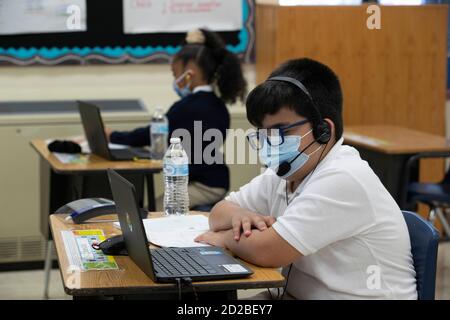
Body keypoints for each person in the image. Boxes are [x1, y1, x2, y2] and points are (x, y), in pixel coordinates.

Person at [195, 58, 417, 299]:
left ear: (324, 130)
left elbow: (268, 251)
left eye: (282, 131)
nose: (271, 142)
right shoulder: (286, 172)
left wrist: (225, 238)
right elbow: (218, 213)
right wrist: (240, 216)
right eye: (265, 133)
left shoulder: (343, 176)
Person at [107, 29, 247, 209]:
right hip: (215, 180)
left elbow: (151, 133)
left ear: (190, 73)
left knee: (151, 213)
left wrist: (113, 135)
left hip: (204, 185)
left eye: (175, 74)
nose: (174, 80)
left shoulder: (188, 107)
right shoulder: (217, 105)